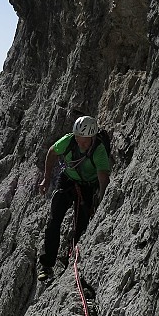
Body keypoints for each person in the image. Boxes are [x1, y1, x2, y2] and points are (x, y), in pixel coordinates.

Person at [37, 115, 110, 281]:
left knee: (81, 225)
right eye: (78, 138)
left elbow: (103, 179)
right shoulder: (69, 140)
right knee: (53, 221)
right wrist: (46, 179)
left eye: (84, 140)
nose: (80, 142)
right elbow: (52, 152)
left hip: (87, 187)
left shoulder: (99, 151)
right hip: (68, 180)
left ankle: (73, 261)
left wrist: (101, 202)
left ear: (92, 137)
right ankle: (47, 266)